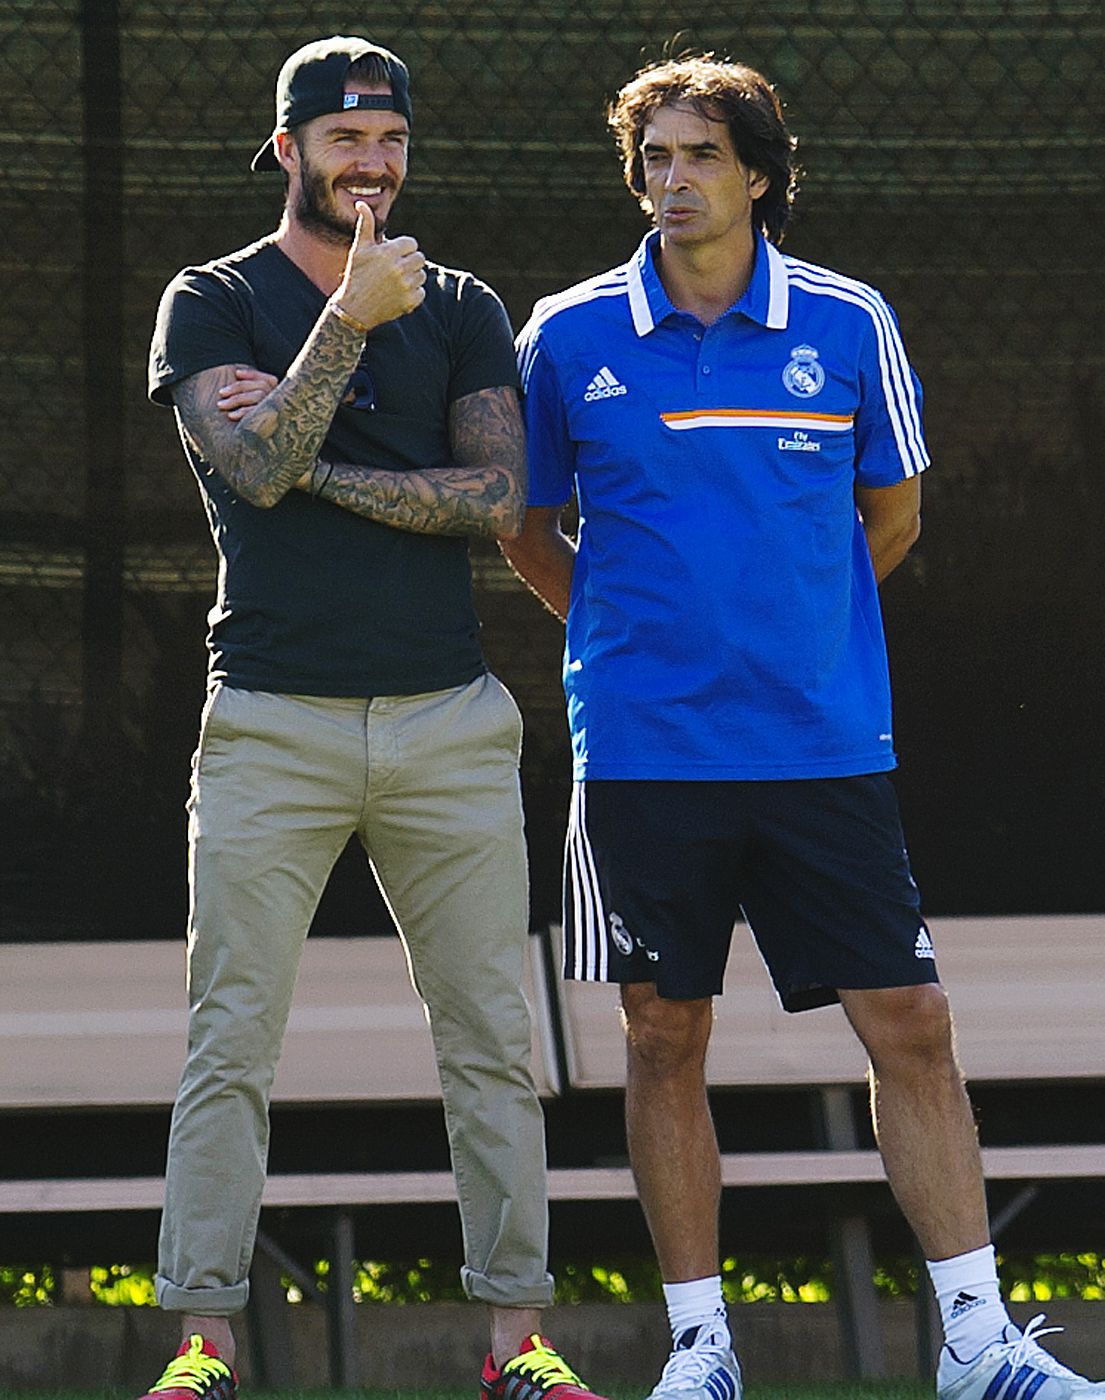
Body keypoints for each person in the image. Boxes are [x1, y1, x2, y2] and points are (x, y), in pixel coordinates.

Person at [503, 54, 1105, 1400]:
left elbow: (888, 518)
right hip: (644, 759)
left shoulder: (848, 324)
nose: (670, 181)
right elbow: (528, 534)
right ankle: (701, 1354)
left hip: (822, 749)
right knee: (663, 1033)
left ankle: (975, 1348)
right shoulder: (566, 334)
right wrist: (630, 647)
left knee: (912, 1019)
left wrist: (792, 632)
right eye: (652, 158)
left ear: (761, 177)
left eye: (698, 156)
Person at [141, 35, 606, 1400]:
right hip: (270, 720)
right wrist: (345, 323)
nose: (372, 165)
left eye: (390, 141)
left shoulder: (455, 303)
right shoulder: (210, 299)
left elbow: (485, 501)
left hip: (445, 720)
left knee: (488, 1039)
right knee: (231, 1037)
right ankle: (199, 1346)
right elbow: (247, 461)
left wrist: (310, 457)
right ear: (285, 149)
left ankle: (516, 1344)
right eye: (344, 140)